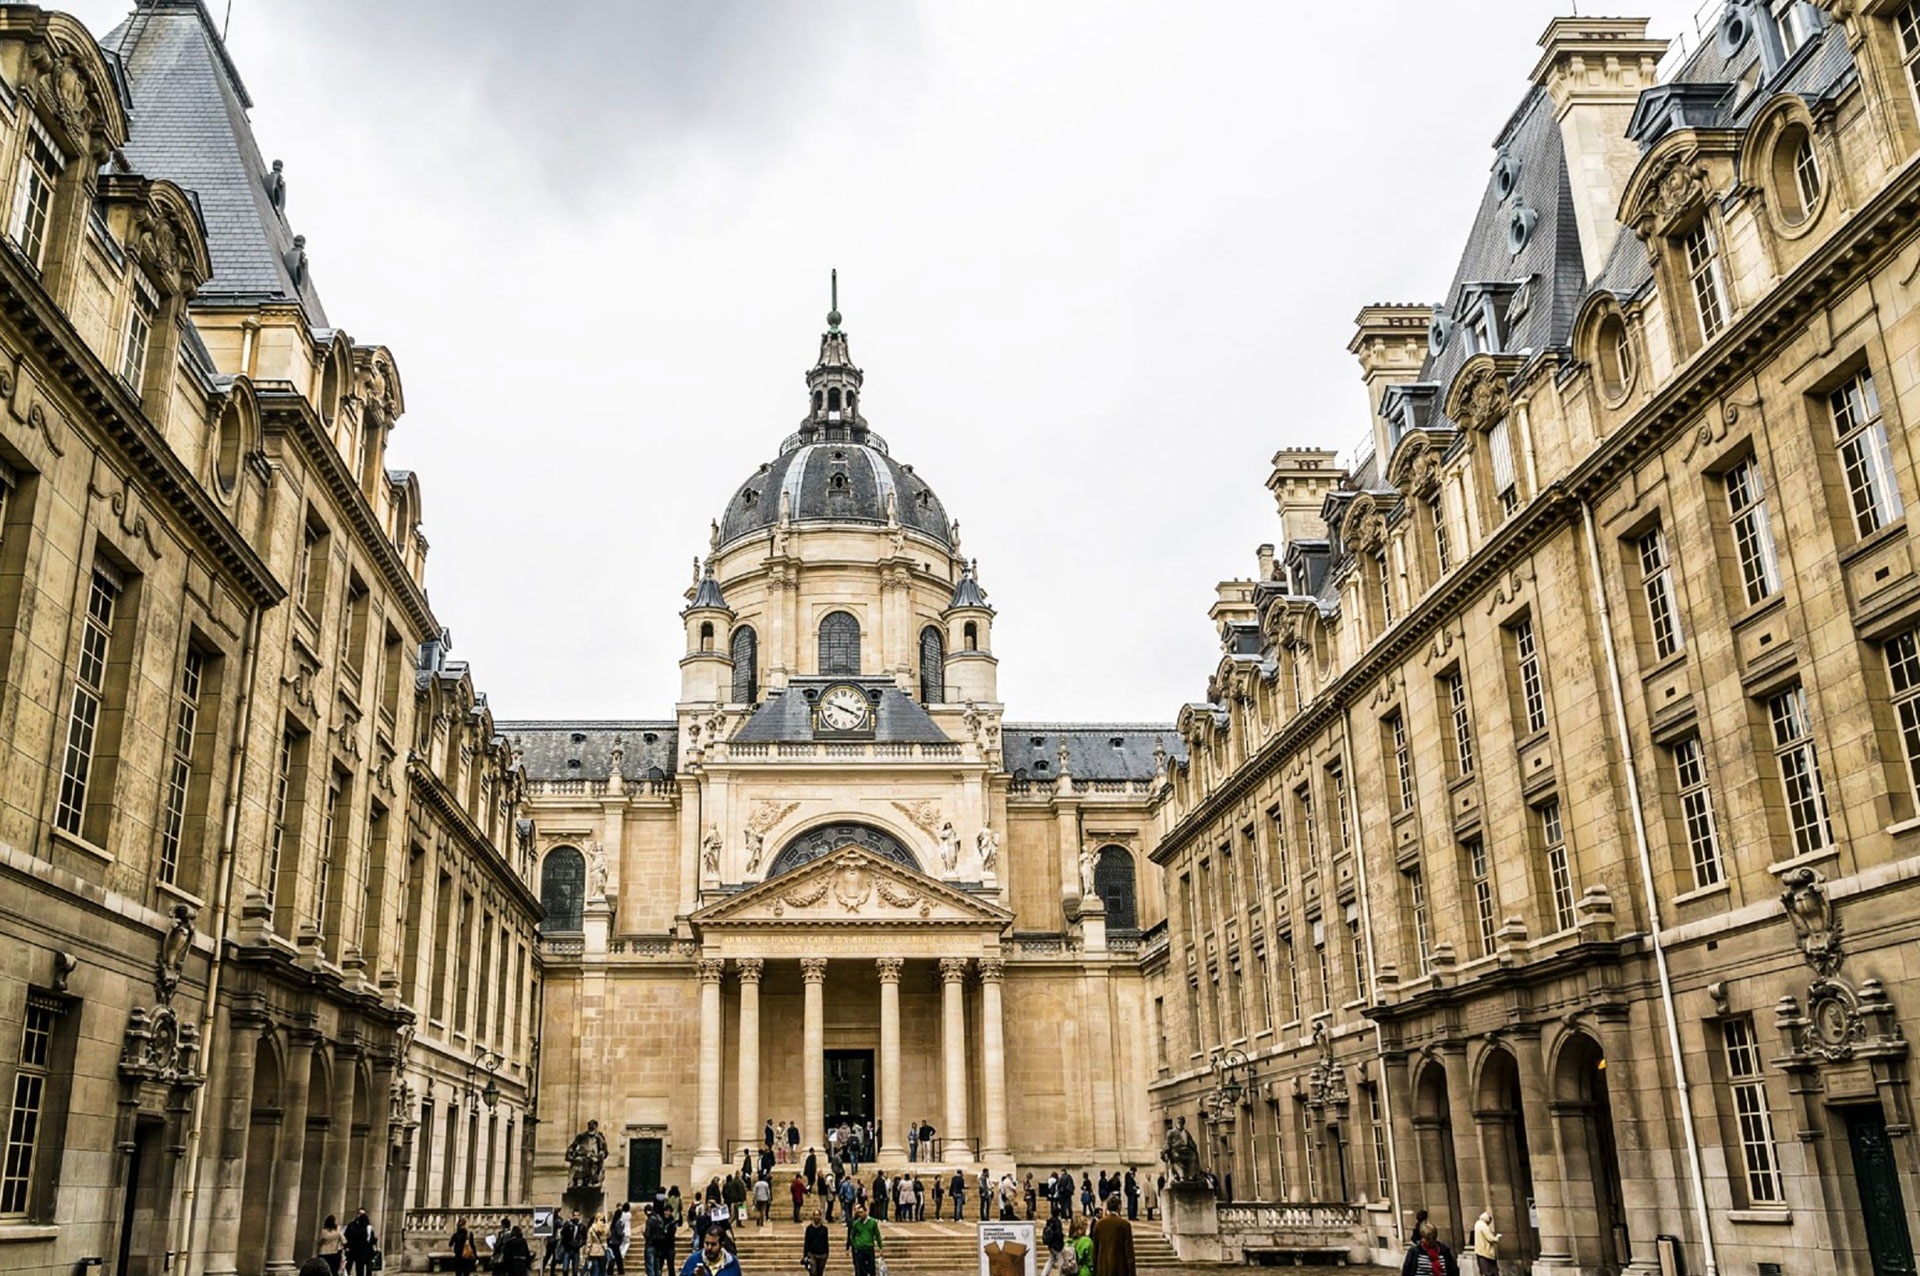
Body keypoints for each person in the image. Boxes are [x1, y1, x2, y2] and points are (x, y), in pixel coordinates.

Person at [1092, 1196, 1136, 1276]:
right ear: (1119, 1207)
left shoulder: (1099, 1224)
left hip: (1103, 1269)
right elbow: (1129, 1253)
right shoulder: (1124, 1225)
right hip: (1120, 1269)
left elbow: (1095, 1251)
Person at [846, 1201, 883, 1276]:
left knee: (871, 1269)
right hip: (860, 1248)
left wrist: (880, 1247)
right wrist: (854, 1245)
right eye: (859, 1213)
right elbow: (851, 1235)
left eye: (862, 1212)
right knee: (860, 1270)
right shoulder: (856, 1223)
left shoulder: (873, 1222)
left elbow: (877, 1235)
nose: (860, 1214)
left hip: (869, 1248)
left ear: (866, 1212)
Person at [344, 1208, 377, 1276]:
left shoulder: (355, 1228)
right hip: (367, 1250)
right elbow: (373, 1240)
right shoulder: (369, 1228)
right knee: (368, 1269)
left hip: (358, 1251)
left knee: (359, 1269)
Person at [803, 1208, 831, 1276]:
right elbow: (806, 1242)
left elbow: (826, 1241)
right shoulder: (809, 1229)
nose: (816, 1217)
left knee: (820, 1273)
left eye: (818, 1215)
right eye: (815, 1215)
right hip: (812, 1254)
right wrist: (805, 1255)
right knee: (813, 1272)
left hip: (822, 1254)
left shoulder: (824, 1229)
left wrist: (827, 1253)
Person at [1472, 1210, 1500, 1276]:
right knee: (1490, 1270)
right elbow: (1491, 1238)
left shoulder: (1477, 1224)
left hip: (1479, 1250)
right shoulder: (1484, 1226)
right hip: (1486, 1252)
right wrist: (1497, 1237)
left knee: (1484, 1270)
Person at [1041, 1211, 1067, 1276]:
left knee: (1051, 1260)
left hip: (1050, 1244)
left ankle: (1044, 1274)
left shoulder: (1049, 1222)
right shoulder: (1057, 1222)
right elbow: (1058, 1233)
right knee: (1060, 1260)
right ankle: (1062, 1274)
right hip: (1057, 1245)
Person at [608, 1205, 630, 1276]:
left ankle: (612, 1270)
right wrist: (623, 1233)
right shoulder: (618, 1223)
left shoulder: (615, 1222)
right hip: (615, 1242)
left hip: (614, 1242)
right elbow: (619, 1233)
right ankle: (620, 1271)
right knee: (617, 1257)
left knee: (614, 1257)